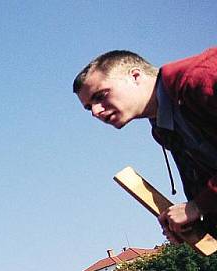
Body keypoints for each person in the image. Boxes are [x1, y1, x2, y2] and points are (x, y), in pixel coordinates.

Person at [73, 48, 217, 242]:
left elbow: (203, 200)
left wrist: (198, 206)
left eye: (100, 96)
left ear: (135, 76)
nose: (96, 112)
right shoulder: (163, 128)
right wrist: (197, 226)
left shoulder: (201, 79)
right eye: (89, 107)